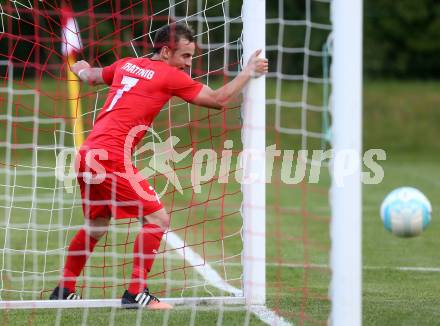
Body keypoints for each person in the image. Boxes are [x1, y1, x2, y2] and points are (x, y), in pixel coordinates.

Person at [50, 22, 268, 309]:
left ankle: (64, 290)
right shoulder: (167, 75)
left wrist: (79, 68)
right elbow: (219, 99)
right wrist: (248, 73)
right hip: (111, 156)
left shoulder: (127, 64)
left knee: (96, 224)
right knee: (158, 219)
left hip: (88, 153)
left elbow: (90, 76)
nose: (189, 64)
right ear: (166, 52)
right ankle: (135, 294)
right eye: (185, 56)